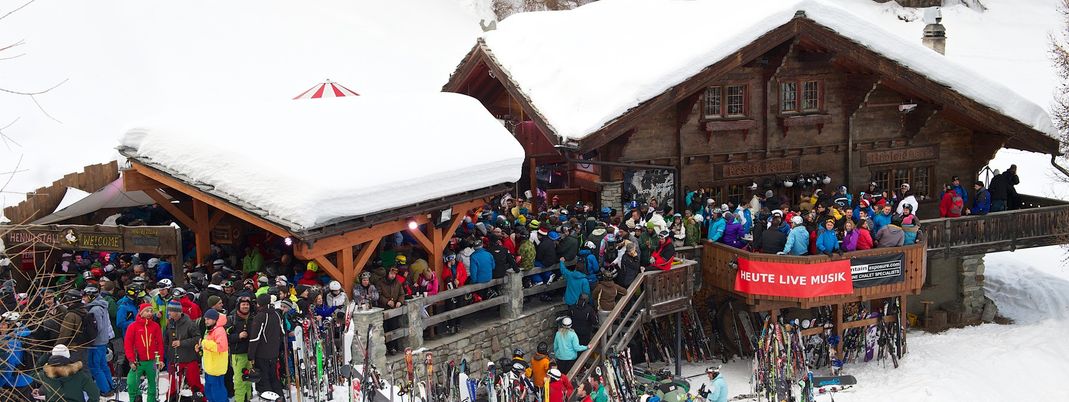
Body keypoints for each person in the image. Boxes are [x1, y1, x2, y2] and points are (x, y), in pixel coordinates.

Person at [248, 294, 285, 401]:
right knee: (274, 378)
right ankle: (280, 398)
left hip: (262, 354)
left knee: (264, 380)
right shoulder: (277, 314)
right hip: (273, 353)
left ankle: (269, 399)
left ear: (259, 303)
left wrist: (251, 356)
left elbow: (255, 338)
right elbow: (282, 333)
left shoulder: (260, 316)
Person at [166, 300, 204, 400]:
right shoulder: (170, 323)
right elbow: (166, 340)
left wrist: (181, 343)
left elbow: (198, 339)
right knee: (172, 386)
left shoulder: (190, 323)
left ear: (177, 311)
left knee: (195, 384)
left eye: (170, 311)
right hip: (174, 360)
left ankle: (200, 399)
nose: (168, 313)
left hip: (189, 359)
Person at [82, 286, 116, 397]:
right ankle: (110, 386)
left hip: (96, 343)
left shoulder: (95, 309)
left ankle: (105, 390)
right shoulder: (101, 306)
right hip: (102, 341)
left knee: (95, 367)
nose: (84, 299)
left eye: (85, 296)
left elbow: (97, 327)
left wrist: (89, 338)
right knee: (103, 365)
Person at [124, 304, 162, 402]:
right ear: (141, 312)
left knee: (153, 385)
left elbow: (160, 344)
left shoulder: (155, 326)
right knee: (131, 382)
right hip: (138, 361)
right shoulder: (133, 326)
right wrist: (131, 360)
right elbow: (128, 344)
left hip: (152, 361)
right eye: (147, 311)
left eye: (151, 311)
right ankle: (136, 399)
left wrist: (160, 359)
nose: (149, 313)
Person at [227, 294, 254, 402]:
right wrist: (238, 336)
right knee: (239, 380)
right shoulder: (232, 319)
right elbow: (225, 337)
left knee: (249, 379)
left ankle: (247, 398)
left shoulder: (253, 318)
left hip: (250, 354)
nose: (245, 306)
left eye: (247, 304)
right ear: (239, 306)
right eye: (243, 304)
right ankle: (239, 400)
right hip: (238, 354)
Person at [0, 312, 33, 399]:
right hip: (26, 379)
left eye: (4, 324)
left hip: (14, 384)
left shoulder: (11, 344)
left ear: (12, 325)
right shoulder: (22, 335)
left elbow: (7, 369)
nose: (1, 327)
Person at [201, 308, 230, 402]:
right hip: (210, 366)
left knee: (217, 392)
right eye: (205, 319)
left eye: (208, 319)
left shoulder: (219, 330)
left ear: (214, 319)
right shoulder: (211, 329)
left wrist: (204, 343)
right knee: (209, 391)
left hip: (216, 368)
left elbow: (221, 347)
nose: (206, 321)